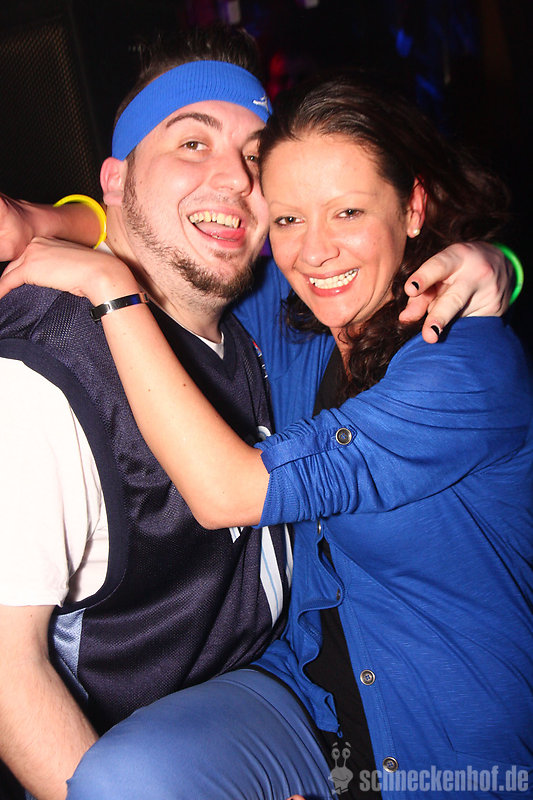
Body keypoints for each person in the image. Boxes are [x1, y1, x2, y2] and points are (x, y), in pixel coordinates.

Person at [2, 72, 530, 800]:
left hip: (454, 748)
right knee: (122, 776)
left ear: (412, 208)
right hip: (310, 704)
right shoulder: (288, 325)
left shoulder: (463, 363)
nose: (315, 252)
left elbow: (229, 491)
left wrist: (107, 288)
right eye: (287, 219)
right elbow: (181, 249)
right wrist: (50, 219)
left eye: (348, 211)